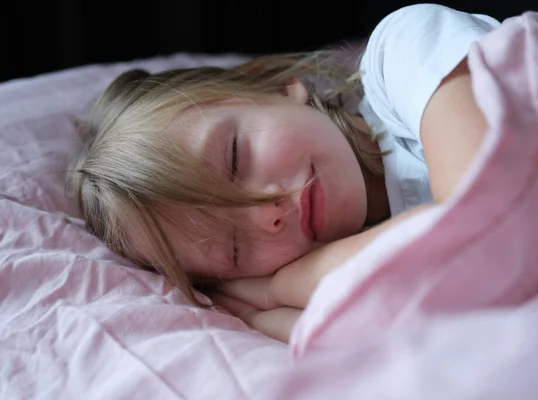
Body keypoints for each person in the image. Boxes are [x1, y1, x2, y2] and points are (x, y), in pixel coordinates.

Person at [68, 4, 500, 342]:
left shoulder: (405, 52)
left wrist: (285, 288)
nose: (265, 214)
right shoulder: (360, 281)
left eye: (235, 159)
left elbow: (486, 208)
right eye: (233, 248)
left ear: (278, 89)